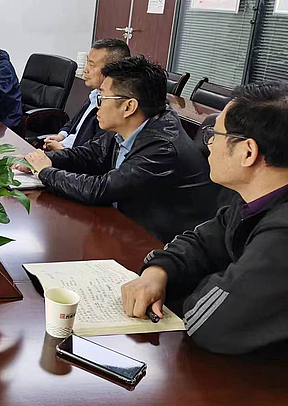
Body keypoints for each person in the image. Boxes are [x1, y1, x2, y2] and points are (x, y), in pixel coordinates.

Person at [121, 83, 288, 354]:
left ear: (248, 152)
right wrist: (158, 272)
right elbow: (202, 241)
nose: (208, 144)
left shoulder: (282, 235)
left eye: (215, 134)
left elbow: (211, 324)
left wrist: (202, 285)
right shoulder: (250, 199)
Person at [18, 56, 218, 243]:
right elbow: (90, 154)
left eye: (102, 98)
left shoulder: (162, 148)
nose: (97, 106)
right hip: (125, 225)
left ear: (129, 107)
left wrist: (46, 172)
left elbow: (101, 189)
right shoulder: (130, 125)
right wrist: (45, 159)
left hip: (157, 243)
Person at [43, 38, 130, 151]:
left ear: (112, 70)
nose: (85, 69)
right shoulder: (95, 95)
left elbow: (95, 154)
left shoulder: (113, 107)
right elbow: (74, 122)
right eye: (87, 62)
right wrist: (61, 136)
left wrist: (62, 152)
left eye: (91, 65)